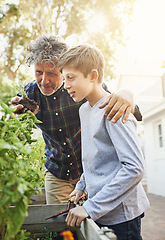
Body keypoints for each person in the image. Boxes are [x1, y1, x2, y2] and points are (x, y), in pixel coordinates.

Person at [11, 36, 141, 205]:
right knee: (59, 225)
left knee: (90, 224)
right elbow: (13, 113)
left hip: (90, 172)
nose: (44, 80)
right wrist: (13, 115)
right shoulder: (31, 93)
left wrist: (127, 94)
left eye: (51, 73)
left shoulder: (79, 87)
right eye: (38, 72)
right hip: (57, 170)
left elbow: (113, 101)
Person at [59, 44, 149, 240]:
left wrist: (90, 207)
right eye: (64, 78)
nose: (65, 85)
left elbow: (135, 168)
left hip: (122, 217)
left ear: (92, 76)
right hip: (101, 211)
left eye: (71, 77)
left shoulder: (114, 108)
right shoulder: (84, 110)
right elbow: (92, 157)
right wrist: (81, 186)